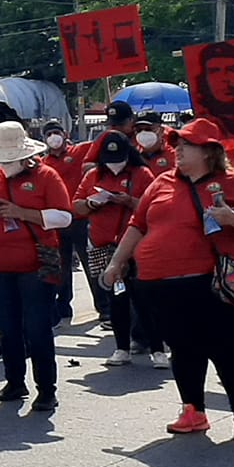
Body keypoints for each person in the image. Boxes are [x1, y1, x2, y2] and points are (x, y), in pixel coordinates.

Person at [102, 118, 234, 441]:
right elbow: (138, 225)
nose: (177, 152)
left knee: (232, 351)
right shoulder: (162, 182)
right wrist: (117, 262)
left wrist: (231, 218)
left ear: (209, 152)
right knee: (184, 350)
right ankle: (193, 409)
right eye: (177, 146)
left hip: (215, 284)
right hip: (165, 287)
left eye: (186, 147)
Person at [0, 121, 74, 412]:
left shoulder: (45, 175)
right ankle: (15, 382)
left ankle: (46, 389)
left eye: (8, 157)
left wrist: (22, 213)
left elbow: (64, 217)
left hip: (36, 263)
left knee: (38, 327)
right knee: (7, 327)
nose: (3, 163)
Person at [75, 132, 157, 367]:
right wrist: (92, 203)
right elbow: (76, 206)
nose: (114, 163)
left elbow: (155, 206)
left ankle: (156, 346)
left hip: (136, 247)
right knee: (117, 298)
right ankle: (122, 347)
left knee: (143, 297)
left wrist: (129, 201)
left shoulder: (141, 174)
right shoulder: (93, 175)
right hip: (106, 248)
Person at [41, 122, 87, 325]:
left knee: (90, 263)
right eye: (49, 134)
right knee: (61, 265)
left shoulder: (79, 152)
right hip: (58, 221)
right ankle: (63, 305)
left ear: (65, 134)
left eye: (56, 133)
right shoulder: (43, 163)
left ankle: (104, 308)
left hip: (80, 218)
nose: (53, 137)